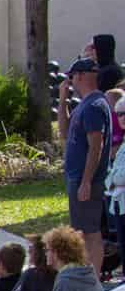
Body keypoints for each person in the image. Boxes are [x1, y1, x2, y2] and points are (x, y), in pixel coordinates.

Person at [59, 56, 111, 274]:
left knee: (89, 232)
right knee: (82, 229)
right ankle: (88, 275)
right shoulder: (84, 105)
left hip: (85, 178)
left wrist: (87, 181)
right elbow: (63, 131)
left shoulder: (94, 106)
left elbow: (95, 147)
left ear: (78, 76)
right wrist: (62, 101)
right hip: (76, 176)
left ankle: (92, 278)